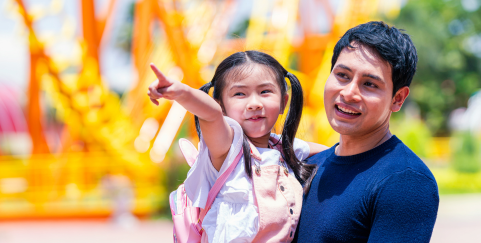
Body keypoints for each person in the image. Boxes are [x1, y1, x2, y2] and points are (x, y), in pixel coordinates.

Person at [147, 51, 327, 243]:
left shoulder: (284, 149)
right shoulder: (226, 149)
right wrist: (182, 93)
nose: (254, 104)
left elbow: (336, 151)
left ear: (284, 102)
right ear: (221, 106)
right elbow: (210, 115)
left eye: (265, 91)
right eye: (239, 94)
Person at [294, 21, 439, 242]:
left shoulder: (405, 181)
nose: (349, 92)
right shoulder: (311, 166)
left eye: (370, 84)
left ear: (398, 99)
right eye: (342, 75)